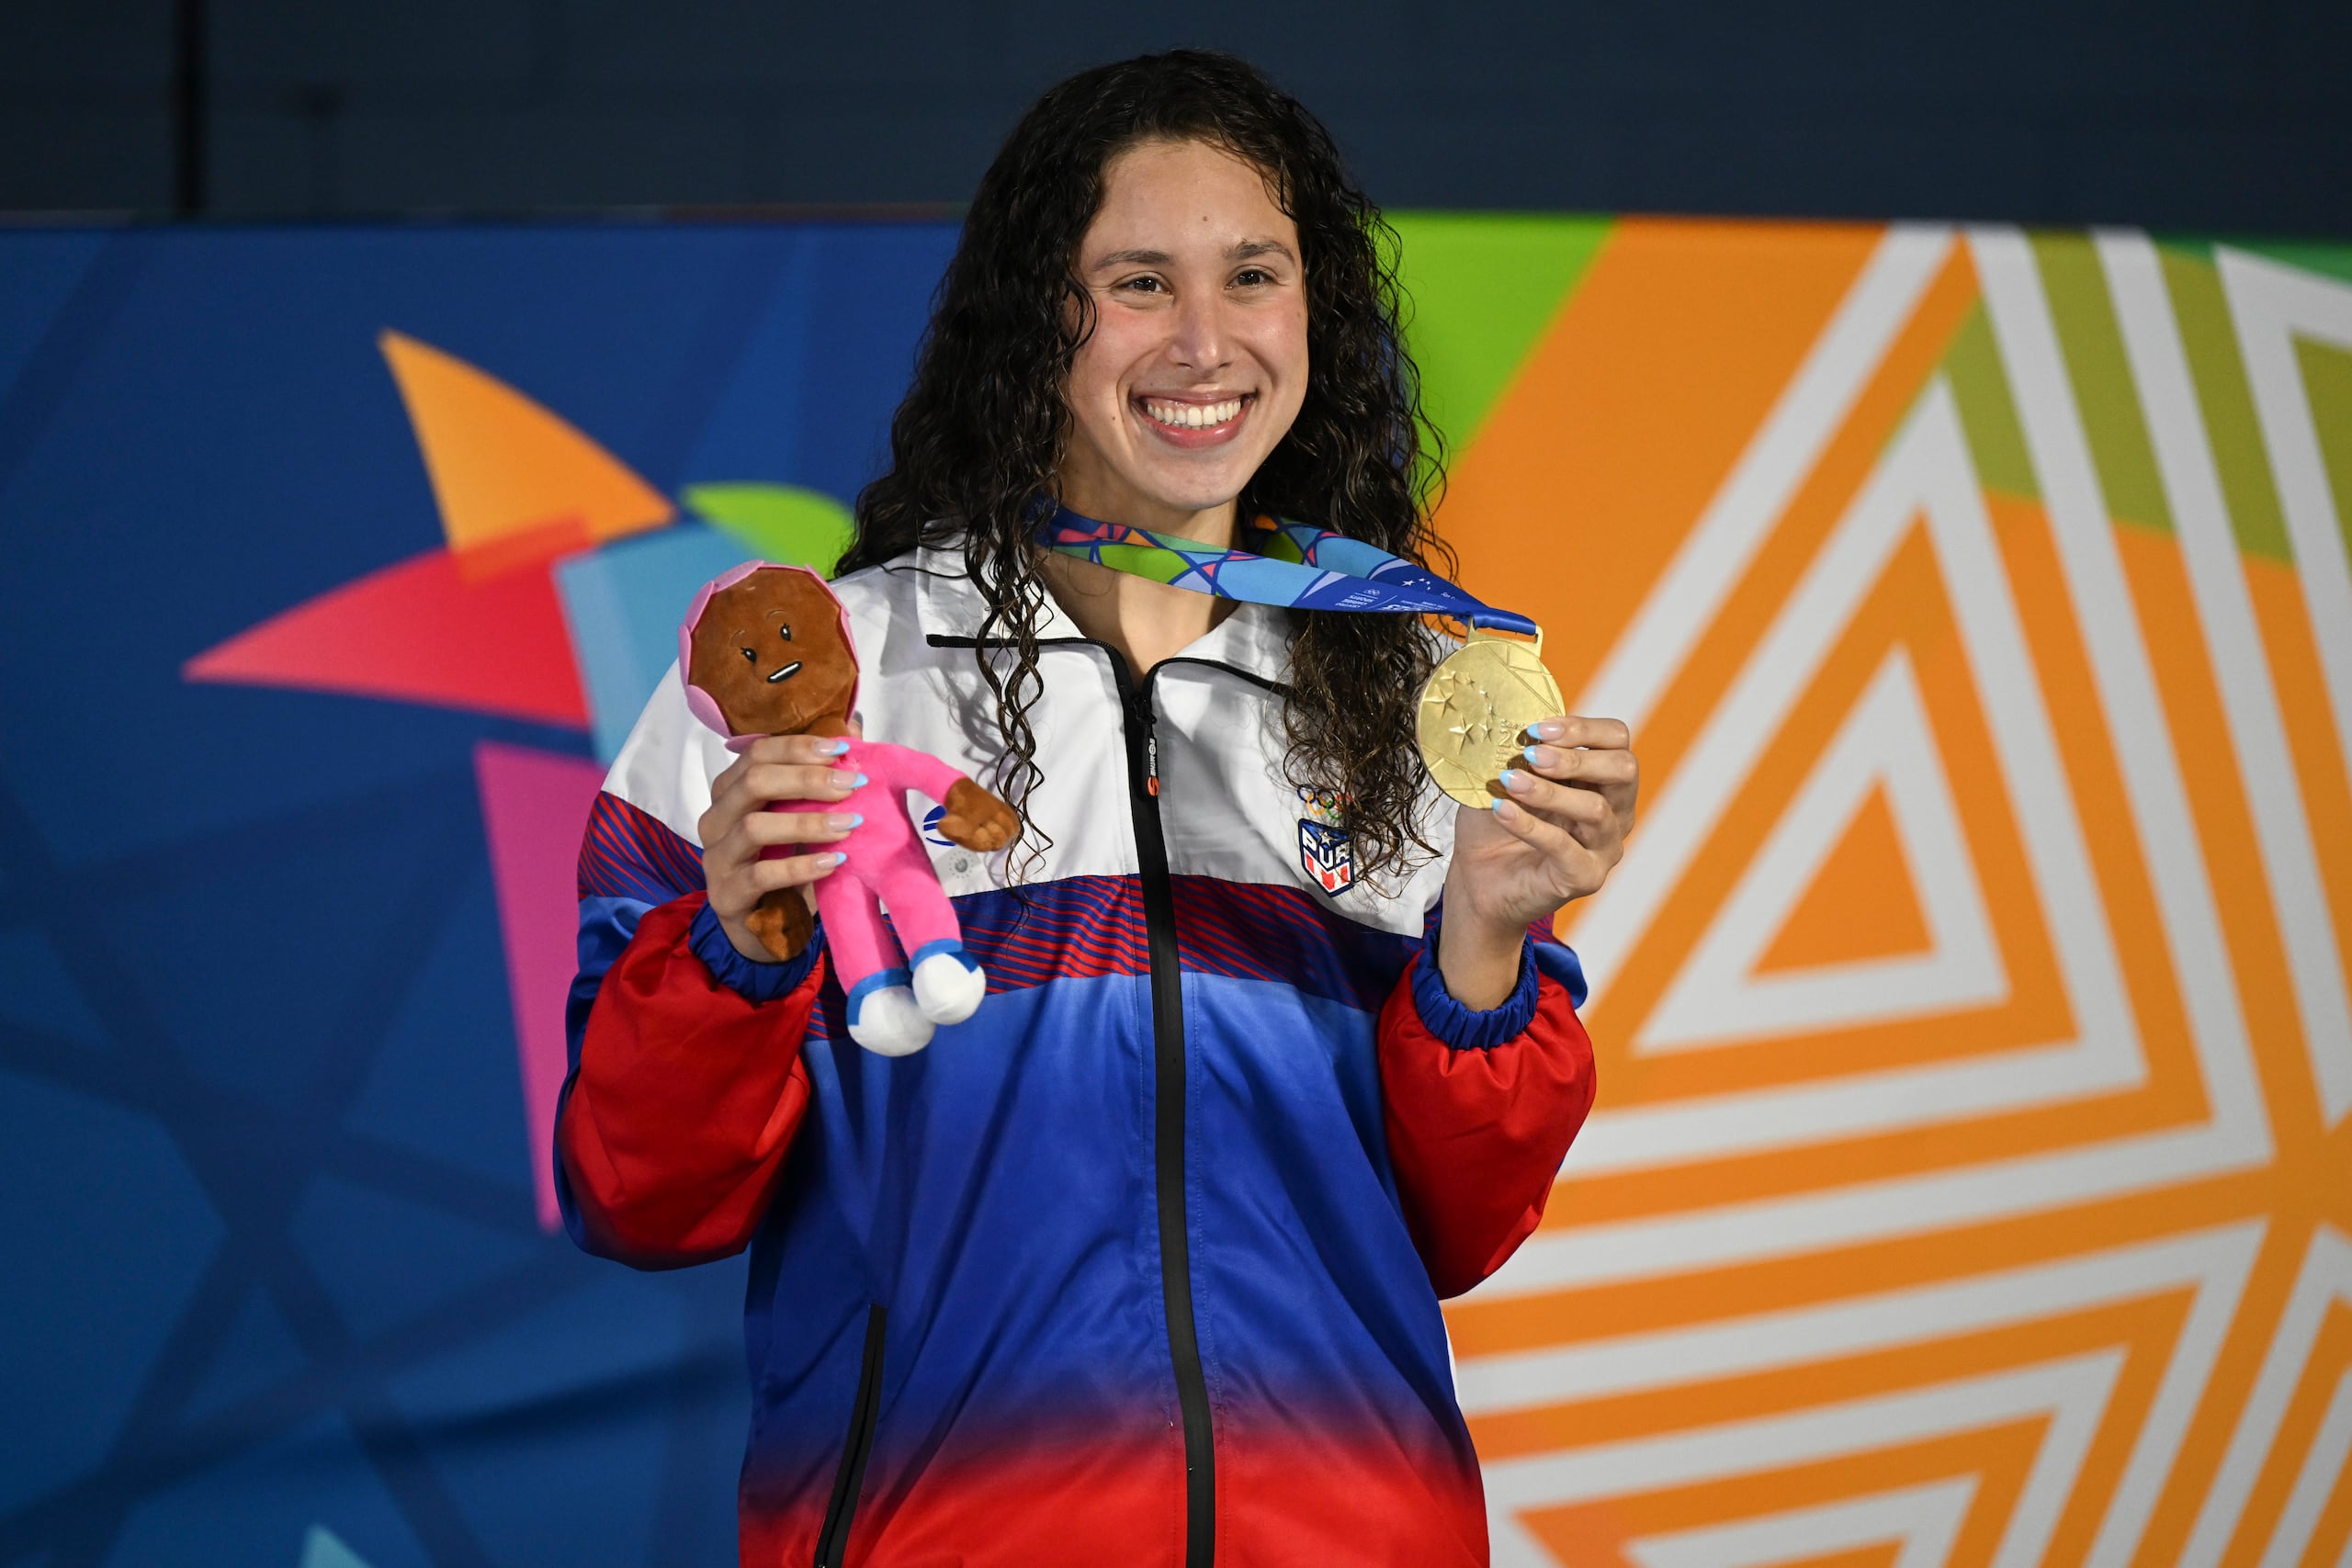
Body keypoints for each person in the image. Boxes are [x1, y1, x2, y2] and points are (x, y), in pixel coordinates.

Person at [556, 50, 1637, 1568]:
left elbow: (1461, 1233)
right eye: (1139, 281)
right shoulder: (819, 686)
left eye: (1253, 274)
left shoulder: (1404, 695)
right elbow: (635, 1194)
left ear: (1311, 309)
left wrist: (1481, 956)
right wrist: (737, 952)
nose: (1206, 341)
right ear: (1036, 324)